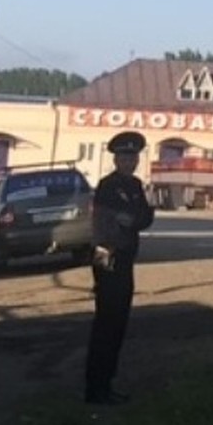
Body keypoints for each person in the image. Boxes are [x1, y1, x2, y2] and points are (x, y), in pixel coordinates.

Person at [84, 130, 154, 405]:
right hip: (109, 259)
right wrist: (102, 269)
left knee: (119, 324)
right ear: (115, 159)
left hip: (125, 260)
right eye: (124, 157)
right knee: (106, 323)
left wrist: (132, 220)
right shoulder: (108, 186)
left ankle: (107, 382)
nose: (129, 161)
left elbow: (144, 217)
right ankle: (96, 387)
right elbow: (106, 225)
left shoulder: (136, 186)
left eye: (133, 157)